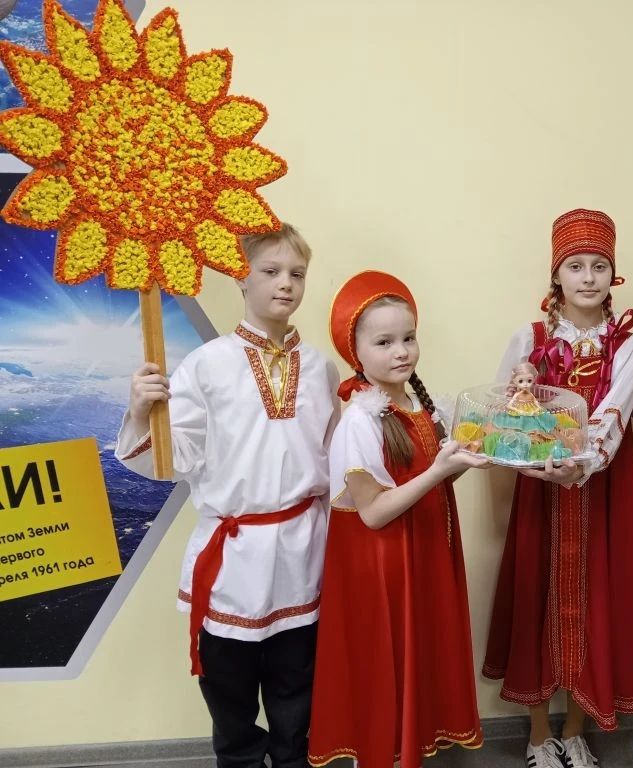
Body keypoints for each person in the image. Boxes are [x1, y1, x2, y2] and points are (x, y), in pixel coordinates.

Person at [117, 224, 339, 768]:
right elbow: (174, 459)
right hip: (233, 556)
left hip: (301, 550)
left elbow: (335, 458)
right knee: (228, 689)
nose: (285, 284)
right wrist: (142, 412)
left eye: (297, 274)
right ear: (240, 276)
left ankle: (292, 760)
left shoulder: (320, 368)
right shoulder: (208, 365)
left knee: (296, 684)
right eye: (270, 271)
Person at [483, 209, 633, 768]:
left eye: (599, 265)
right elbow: (502, 414)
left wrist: (581, 465)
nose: (588, 277)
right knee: (538, 597)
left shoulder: (630, 345)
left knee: (597, 601)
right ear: (556, 274)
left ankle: (575, 730)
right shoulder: (528, 339)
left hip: (603, 490)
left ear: (612, 274)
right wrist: (523, 428)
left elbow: (615, 414)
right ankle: (537, 735)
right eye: (575, 265)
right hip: (540, 489)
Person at [308, 271, 487, 768]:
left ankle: (412, 748)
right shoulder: (360, 421)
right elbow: (373, 514)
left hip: (425, 553)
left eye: (409, 338)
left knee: (421, 659)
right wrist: (440, 471)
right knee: (387, 665)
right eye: (384, 342)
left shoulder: (418, 406)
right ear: (356, 352)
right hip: (386, 566)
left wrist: (470, 458)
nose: (402, 351)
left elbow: (434, 479)